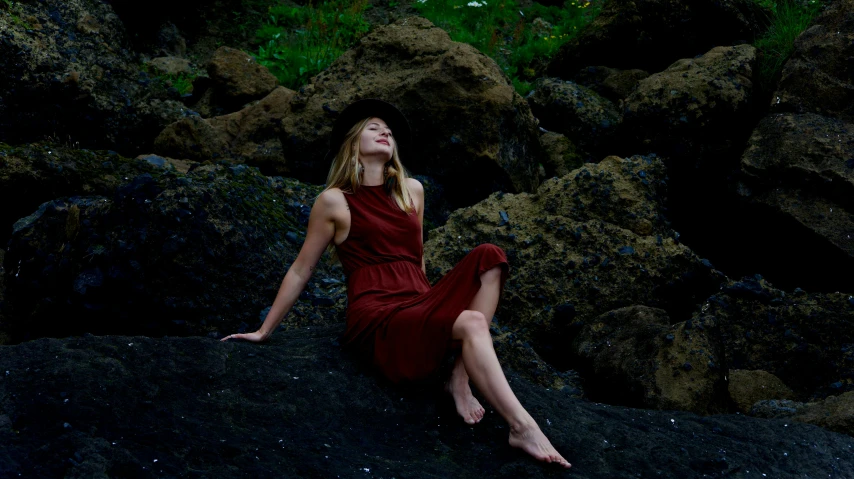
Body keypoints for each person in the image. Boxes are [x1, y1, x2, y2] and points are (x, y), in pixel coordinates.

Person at [222, 99, 571, 468]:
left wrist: (434, 304)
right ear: (353, 143)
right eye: (373, 128)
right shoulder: (333, 202)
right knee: (471, 321)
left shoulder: (412, 192)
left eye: (387, 130)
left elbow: (415, 258)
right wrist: (264, 330)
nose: (384, 132)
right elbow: (301, 270)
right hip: (377, 314)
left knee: (489, 255)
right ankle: (522, 426)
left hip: (416, 300)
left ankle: (459, 374)